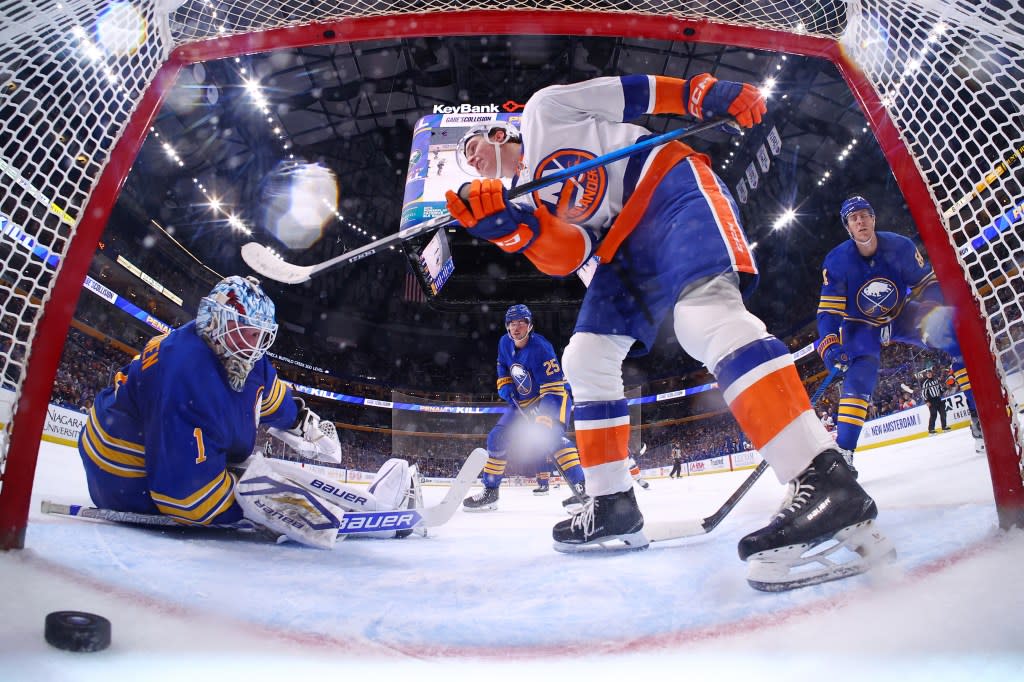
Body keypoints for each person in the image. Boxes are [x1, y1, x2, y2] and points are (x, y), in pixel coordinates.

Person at [444, 74, 889, 590]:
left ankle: (825, 479)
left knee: (705, 317)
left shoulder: (544, 111)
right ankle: (611, 503)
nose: (470, 158)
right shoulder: (528, 202)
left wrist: (705, 94)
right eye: (464, 159)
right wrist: (510, 229)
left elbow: (638, 93)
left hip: (666, 192)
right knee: (584, 360)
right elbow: (572, 255)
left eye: (472, 145)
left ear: (498, 134)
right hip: (621, 251)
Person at [77, 276, 414, 549]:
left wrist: (304, 424)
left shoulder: (235, 355)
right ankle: (347, 508)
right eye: (248, 332)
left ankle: (354, 504)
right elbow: (186, 500)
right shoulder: (187, 371)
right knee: (257, 480)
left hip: (153, 454)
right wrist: (262, 507)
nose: (256, 344)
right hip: (125, 481)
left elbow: (268, 397)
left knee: (257, 473)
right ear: (216, 322)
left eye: (262, 335)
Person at [816, 196, 983, 460]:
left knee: (956, 337)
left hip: (901, 313)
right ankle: (844, 454)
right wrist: (829, 344)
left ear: (873, 218)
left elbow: (927, 282)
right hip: (861, 325)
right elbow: (829, 312)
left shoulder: (900, 246)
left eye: (864, 214)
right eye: (853, 218)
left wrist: (931, 304)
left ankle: (980, 416)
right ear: (848, 227)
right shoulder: (836, 262)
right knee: (859, 376)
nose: (860, 221)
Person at [462, 304, 587, 512]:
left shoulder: (541, 348)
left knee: (552, 439)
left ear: (530, 326)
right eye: (512, 323)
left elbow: (553, 388)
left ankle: (583, 490)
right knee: (496, 438)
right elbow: (502, 365)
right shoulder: (504, 342)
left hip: (552, 397)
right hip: (522, 401)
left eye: (522, 322)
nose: (517, 327)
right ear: (507, 327)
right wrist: (505, 384)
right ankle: (491, 492)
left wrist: (545, 417)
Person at [921, 368, 949, 433]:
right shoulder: (925, 383)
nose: (929, 374)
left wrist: (944, 389)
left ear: (932, 373)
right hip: (931, 401)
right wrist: (926, 401)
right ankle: (931, 429)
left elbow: (940, 388)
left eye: (930, 373)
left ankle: (944, 427)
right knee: (933, 414)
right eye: (928, 373)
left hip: (938, 399)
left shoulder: (936, 380)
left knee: (943, 413)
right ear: (926, 375)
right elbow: (923, 393)